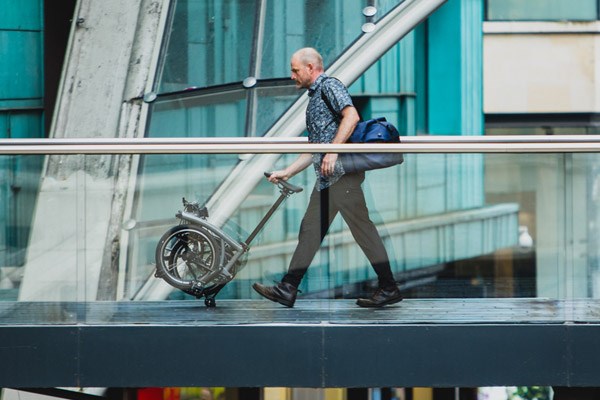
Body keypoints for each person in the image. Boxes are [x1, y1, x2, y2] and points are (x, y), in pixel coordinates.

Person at [252, 47, 402, 308]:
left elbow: (351, 116)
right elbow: (315, 148)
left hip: (341, 178)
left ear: (311, 68)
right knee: (313, 231)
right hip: (329, 180)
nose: (292, 76)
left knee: (359, 231)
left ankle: (388, 287)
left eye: (295, 70)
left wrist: (333, 151)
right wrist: (287, 171)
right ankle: (288, 288)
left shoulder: (329, 86)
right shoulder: (314, 97)